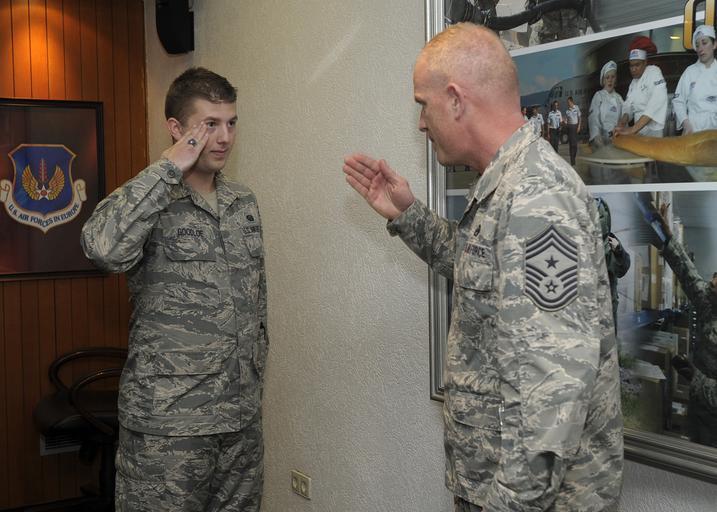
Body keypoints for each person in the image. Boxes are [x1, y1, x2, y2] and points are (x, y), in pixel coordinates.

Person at [343, 22, 622, 511]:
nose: (421, 124)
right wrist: (408, 215)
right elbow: (481, 271)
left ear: (455, 100)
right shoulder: (507, 183)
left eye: (423, 105)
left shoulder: (537, 196)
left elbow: (550, 395)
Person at [81, 67, 268, 511]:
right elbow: (102, 249)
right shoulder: (151, 200)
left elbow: (255, 302)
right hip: (168, 428)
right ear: (176, 129)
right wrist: (168, 168)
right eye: (210, 124)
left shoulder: (242, 202)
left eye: (232, 123)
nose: (225, 137)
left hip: (239, 422)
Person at [651, 203, 717, 447]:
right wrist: (668, 236)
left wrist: (694, 377)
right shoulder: (710, 302)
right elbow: (689, 275)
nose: (712, 281)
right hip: (698, 414)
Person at [672, 25, 717, 182]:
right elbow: (678, 100)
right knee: (696, 176)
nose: (700, 48)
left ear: (714, 44)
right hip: (694, 130)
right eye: (697, 45)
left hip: (714, 131)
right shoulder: (690, 72)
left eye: (704, 43)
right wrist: (686, 123)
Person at [615, 36, 668, 138]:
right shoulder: (633, 83)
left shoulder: (654, 72)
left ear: (645, 63)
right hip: (639, 132)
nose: (633, 69)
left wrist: (633, 129)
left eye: (637, 65)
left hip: (653, 132)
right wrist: (622, 122)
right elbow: (628, 106)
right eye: (631, 66)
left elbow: (656, 102)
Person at [596, 198, 630, 331]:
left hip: (606, 306)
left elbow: (622, 269)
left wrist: (618, 251)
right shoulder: (580, 241)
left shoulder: (611, 242)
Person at [588, 60, 624, 150]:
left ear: (616, 79)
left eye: (613, 77)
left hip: (617, 140)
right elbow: (593, 117)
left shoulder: (619, 98)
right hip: (601, 140)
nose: (610, 80)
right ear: (603, 80)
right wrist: (596, 135)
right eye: (607, 77)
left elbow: (624, 119)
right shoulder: (598, 96)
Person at [565, 96, 581, 165]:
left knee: (575, 145)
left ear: (572, 102)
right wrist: (565, 122)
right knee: (571, 144)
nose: (568, 103)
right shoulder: (567, 111)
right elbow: (566, 120)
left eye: (569, 102)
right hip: (570, 127)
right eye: (567, 102)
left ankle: (573, 157)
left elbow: (579, 117)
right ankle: (572, 161)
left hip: (575, 126)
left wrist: (579, 126)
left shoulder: (576, 108)